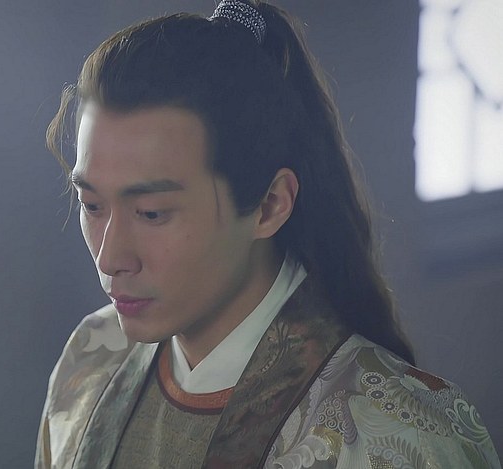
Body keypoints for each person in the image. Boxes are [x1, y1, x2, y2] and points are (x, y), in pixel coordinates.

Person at [35, 1, 501, 467]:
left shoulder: (398, 439)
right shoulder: (91, 360)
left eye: (152, 213)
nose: (110, 258)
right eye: (92, 205)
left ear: (270, 205)